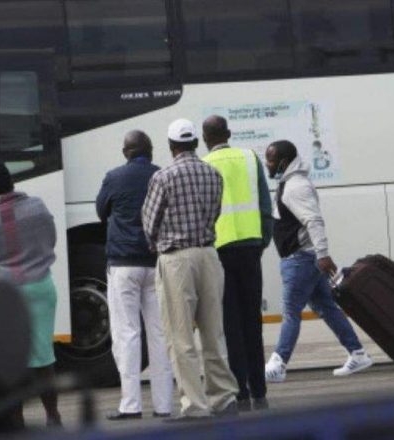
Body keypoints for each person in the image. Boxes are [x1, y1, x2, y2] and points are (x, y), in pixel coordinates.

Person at [142, 119, 239, 420]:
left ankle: (195, 406)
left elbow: (149, 223)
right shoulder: (213, 173)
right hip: (209, 256)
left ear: (171, 146)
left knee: (180, 336)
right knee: (213, 332)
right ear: (196, 143)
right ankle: (224, 398)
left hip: (177, 259)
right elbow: (215, 214)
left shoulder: (163, 176)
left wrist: (157, 243)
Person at [263, 140, 373, 383]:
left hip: (301, 258)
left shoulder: (295, 187)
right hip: (305, 257)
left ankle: (278, 364)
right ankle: (357, 353)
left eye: (270, 160)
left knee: (291, 312)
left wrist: (322, 254)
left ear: (283, 162)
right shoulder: (290, 183)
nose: (267, 164)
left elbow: (314, 221)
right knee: (326, 307)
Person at [0, 159, 62, 428]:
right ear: (11, 180)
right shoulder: (38, 207)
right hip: (41, 288)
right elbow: (50, 239)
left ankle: (16, 420)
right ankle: (53, 416)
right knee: (44, 357)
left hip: (4, 298)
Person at [96, 130, 174, 420]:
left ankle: (131, 405)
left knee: (126, 334)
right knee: (159, 333)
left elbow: (101, 211)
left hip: (123, 264)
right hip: (156, 263)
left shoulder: (114, 177)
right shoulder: (161, 175)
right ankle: (164, 405)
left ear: (125, 152)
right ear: (151, 150)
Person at [201, 115, 273, 411]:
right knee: (252, 321)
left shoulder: (205, 164)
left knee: (230, 324)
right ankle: (259, 388)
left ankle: (240, 389)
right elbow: (265, 206)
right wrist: (262, 242)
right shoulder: (249, 157)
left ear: (205, 139)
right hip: (251, 249)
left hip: (220, 251)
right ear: (228, 133)